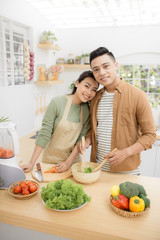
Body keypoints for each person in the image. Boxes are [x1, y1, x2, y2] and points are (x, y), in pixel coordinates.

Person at [78, 47, 156, 175]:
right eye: (96, 69)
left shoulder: (138, 95)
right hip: (98, 169)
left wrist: (126, 152)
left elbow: (150, 135)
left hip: (127, 172)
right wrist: (87, 141)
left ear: (116, 65)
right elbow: (94, 129)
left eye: (106, 66)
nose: (102, 72)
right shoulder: (95, 98)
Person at [20, 70, 99, 173]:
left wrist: (67, 163)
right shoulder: (57, 102)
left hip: (73, 163)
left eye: (94, 90)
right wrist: (31, 163)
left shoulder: (87, 111)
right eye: (86, 86)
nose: (89, 92)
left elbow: (80, 140)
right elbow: (44, 134)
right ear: (77, 83)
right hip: (50, 161)